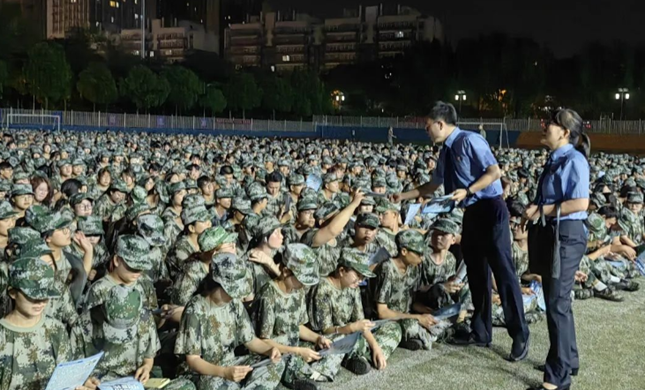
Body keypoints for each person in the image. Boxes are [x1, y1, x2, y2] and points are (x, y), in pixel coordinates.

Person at [393, 102, 529, 361]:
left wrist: (468, 190)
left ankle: (519, 334)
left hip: (491, 208)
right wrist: (404, 194)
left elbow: (494, 172)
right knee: (476, 273)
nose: (427, 131)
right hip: (471, 213)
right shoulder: (445, 152)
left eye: (428, 126)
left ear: (440, 124)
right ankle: (481, 331)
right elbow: (433, 185)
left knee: (503, 273)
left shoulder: (470, 140)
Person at [523, 109, 591, 390]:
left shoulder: (574, 159)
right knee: (558, 301)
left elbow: (580, 203)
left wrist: (540, 209)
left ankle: (557, 377)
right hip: (554, 233)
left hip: (567, 234)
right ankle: (568, 359)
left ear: (565, 132)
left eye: (550, 123)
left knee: (556, 304)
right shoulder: (557, 158)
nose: (545, 127)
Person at [174, 252, 284, 390]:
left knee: (275, 364)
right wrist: (224, 372)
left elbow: (250, 340)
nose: (233, 296)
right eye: (230, 291)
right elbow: (193, 360)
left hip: (230, 363)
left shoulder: (234, 304)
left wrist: (270, 350)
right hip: (205, 372)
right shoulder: (195, 309)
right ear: (216, 284)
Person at [0, 257, 99, 390]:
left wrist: (80, 382)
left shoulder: (55, 328)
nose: (41, 302)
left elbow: (64, 377)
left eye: (45, 295)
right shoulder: (2, 336)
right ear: (13, 292)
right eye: (33, 295)